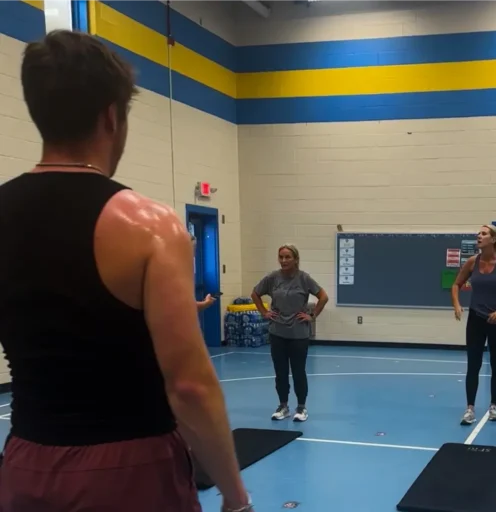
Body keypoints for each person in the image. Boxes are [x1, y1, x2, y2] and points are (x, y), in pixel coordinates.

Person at [0, 30, 252, 511]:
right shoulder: (148, 225)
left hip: (24, 464)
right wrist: (235, 497)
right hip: (128, 469)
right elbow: (188, 384)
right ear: (112, 117)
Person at [451, 224, 496, 425]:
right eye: (478, 233)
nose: (479, 236)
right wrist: (456, 304)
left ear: (493, 239)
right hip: (476, 319)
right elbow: (456, 284)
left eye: (483, 233)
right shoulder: (472, 262)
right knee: (473, 365)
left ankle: (493, 405)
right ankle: (470, 408)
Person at [252, 245, 328, 422]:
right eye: (281, 257)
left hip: (298, 333)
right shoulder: (272, 278)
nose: (284, 261)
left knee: (298, 371)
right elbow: (255, 294)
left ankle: (301, 408)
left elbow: (323, 297)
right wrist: (264, 312)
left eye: (287, 257)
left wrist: (312, 315)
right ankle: (283, 406)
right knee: (280, 372)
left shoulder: (304, 278)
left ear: (295, 259)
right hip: (277, 331)